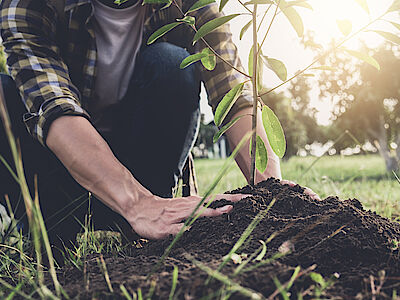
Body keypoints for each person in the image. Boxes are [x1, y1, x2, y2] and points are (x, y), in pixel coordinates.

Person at [0, 0, 318, 255]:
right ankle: (53, 230)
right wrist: (137, 203)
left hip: (146, 172)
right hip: (59, 182)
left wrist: (271, 193)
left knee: (170, 63)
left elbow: (232, 90)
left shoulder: (189, 5)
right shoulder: (29, 5)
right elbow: (54, 107)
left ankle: (156, 217)